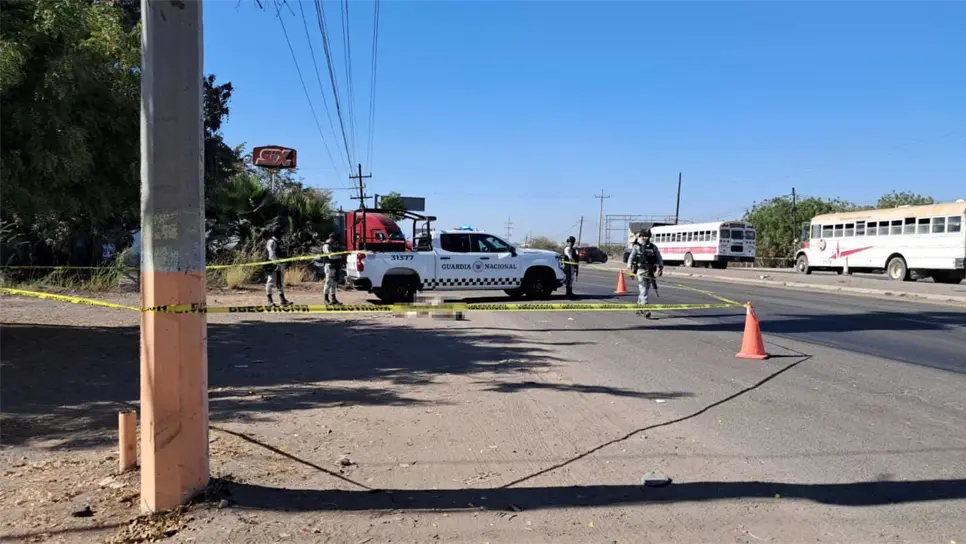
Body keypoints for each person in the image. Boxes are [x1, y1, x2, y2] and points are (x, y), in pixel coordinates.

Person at [626, 229, 663, 317]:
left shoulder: (653, 247)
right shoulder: (637, 247)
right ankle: (646, 309)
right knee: (643, 290)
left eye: (647, 236)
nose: (645, 238)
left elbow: (659, 258)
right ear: (641, 236)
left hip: (650, 271)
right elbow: (631, 258)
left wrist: (660, 268)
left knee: (645, 290)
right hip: (641, 270)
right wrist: (630, 270)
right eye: (643, 236)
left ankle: (639, 308)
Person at [265, 226, 293, 307]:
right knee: (271, 282)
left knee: (280, 282)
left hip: (281, 264)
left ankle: (282, 300)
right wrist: (276, 264)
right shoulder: (271, 241)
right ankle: (269, 301)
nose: (282, 235)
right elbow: (271, 254)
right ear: (277, 233)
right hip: (273, 264)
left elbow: (283, 252)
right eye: (281, 233)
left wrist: (287, 261)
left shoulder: (281, 241)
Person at [321, 233, 343, 305]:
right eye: (335, 239)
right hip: (329, 266)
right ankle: (326, 299)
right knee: (328, 282)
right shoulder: (326, 246)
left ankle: (333, 299)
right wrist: (340, 256)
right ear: (332, 238)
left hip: (335, 266)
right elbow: (331, 256)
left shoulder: (333, 245)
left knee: (334, 283)